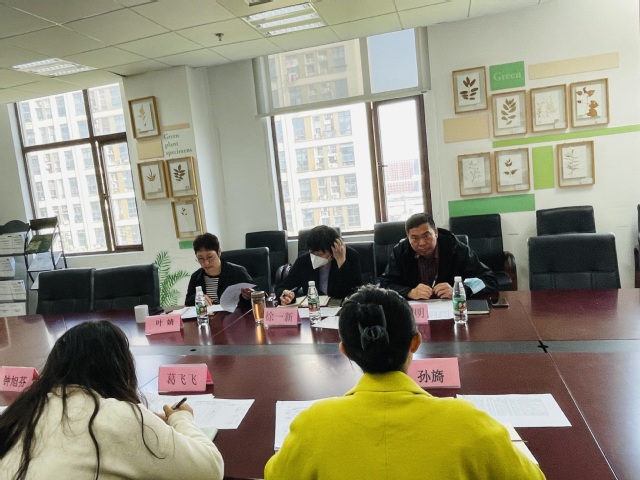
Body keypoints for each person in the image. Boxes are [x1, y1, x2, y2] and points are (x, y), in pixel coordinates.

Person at [264, 286, 545, 479]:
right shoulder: (469, 423)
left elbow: (274, 474)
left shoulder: (313, 424)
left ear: (345, 351)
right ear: (416, 342)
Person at [0, 321, 223, 480]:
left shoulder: (23, 410)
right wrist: (182, 419)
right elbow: (210, 469)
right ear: (118, 368)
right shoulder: (116, 416)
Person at [379, 212, 497, 299]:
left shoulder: (455, 248)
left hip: (452, 311)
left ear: (436, 232)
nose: (422, 243)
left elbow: (488, 279)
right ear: (408, 237)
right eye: (414, 238)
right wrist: (409, 292)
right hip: (415, 313)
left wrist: (459, 291)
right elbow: (385, 284)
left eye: (426, 236)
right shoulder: (400, 251)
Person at [276, 225, 362, 304]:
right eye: (313, 252)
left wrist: (341, 263)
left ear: (333, 249)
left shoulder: (351, 257)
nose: (316, 257)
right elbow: (282, 287)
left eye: (321, 254)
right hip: (313, 309)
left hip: (343, 308)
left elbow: (357, 292)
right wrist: (285, 295)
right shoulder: (303, 261)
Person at [185, 232, 253, 306]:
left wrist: (246, 296)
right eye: (201, 258)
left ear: (219, 252)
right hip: (208, 313)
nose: (206, 263)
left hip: (233, 313)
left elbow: (257, 295)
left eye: (210, 257)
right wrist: (197, 298)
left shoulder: (238, 272)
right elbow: (187, 302)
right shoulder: (196, 277)